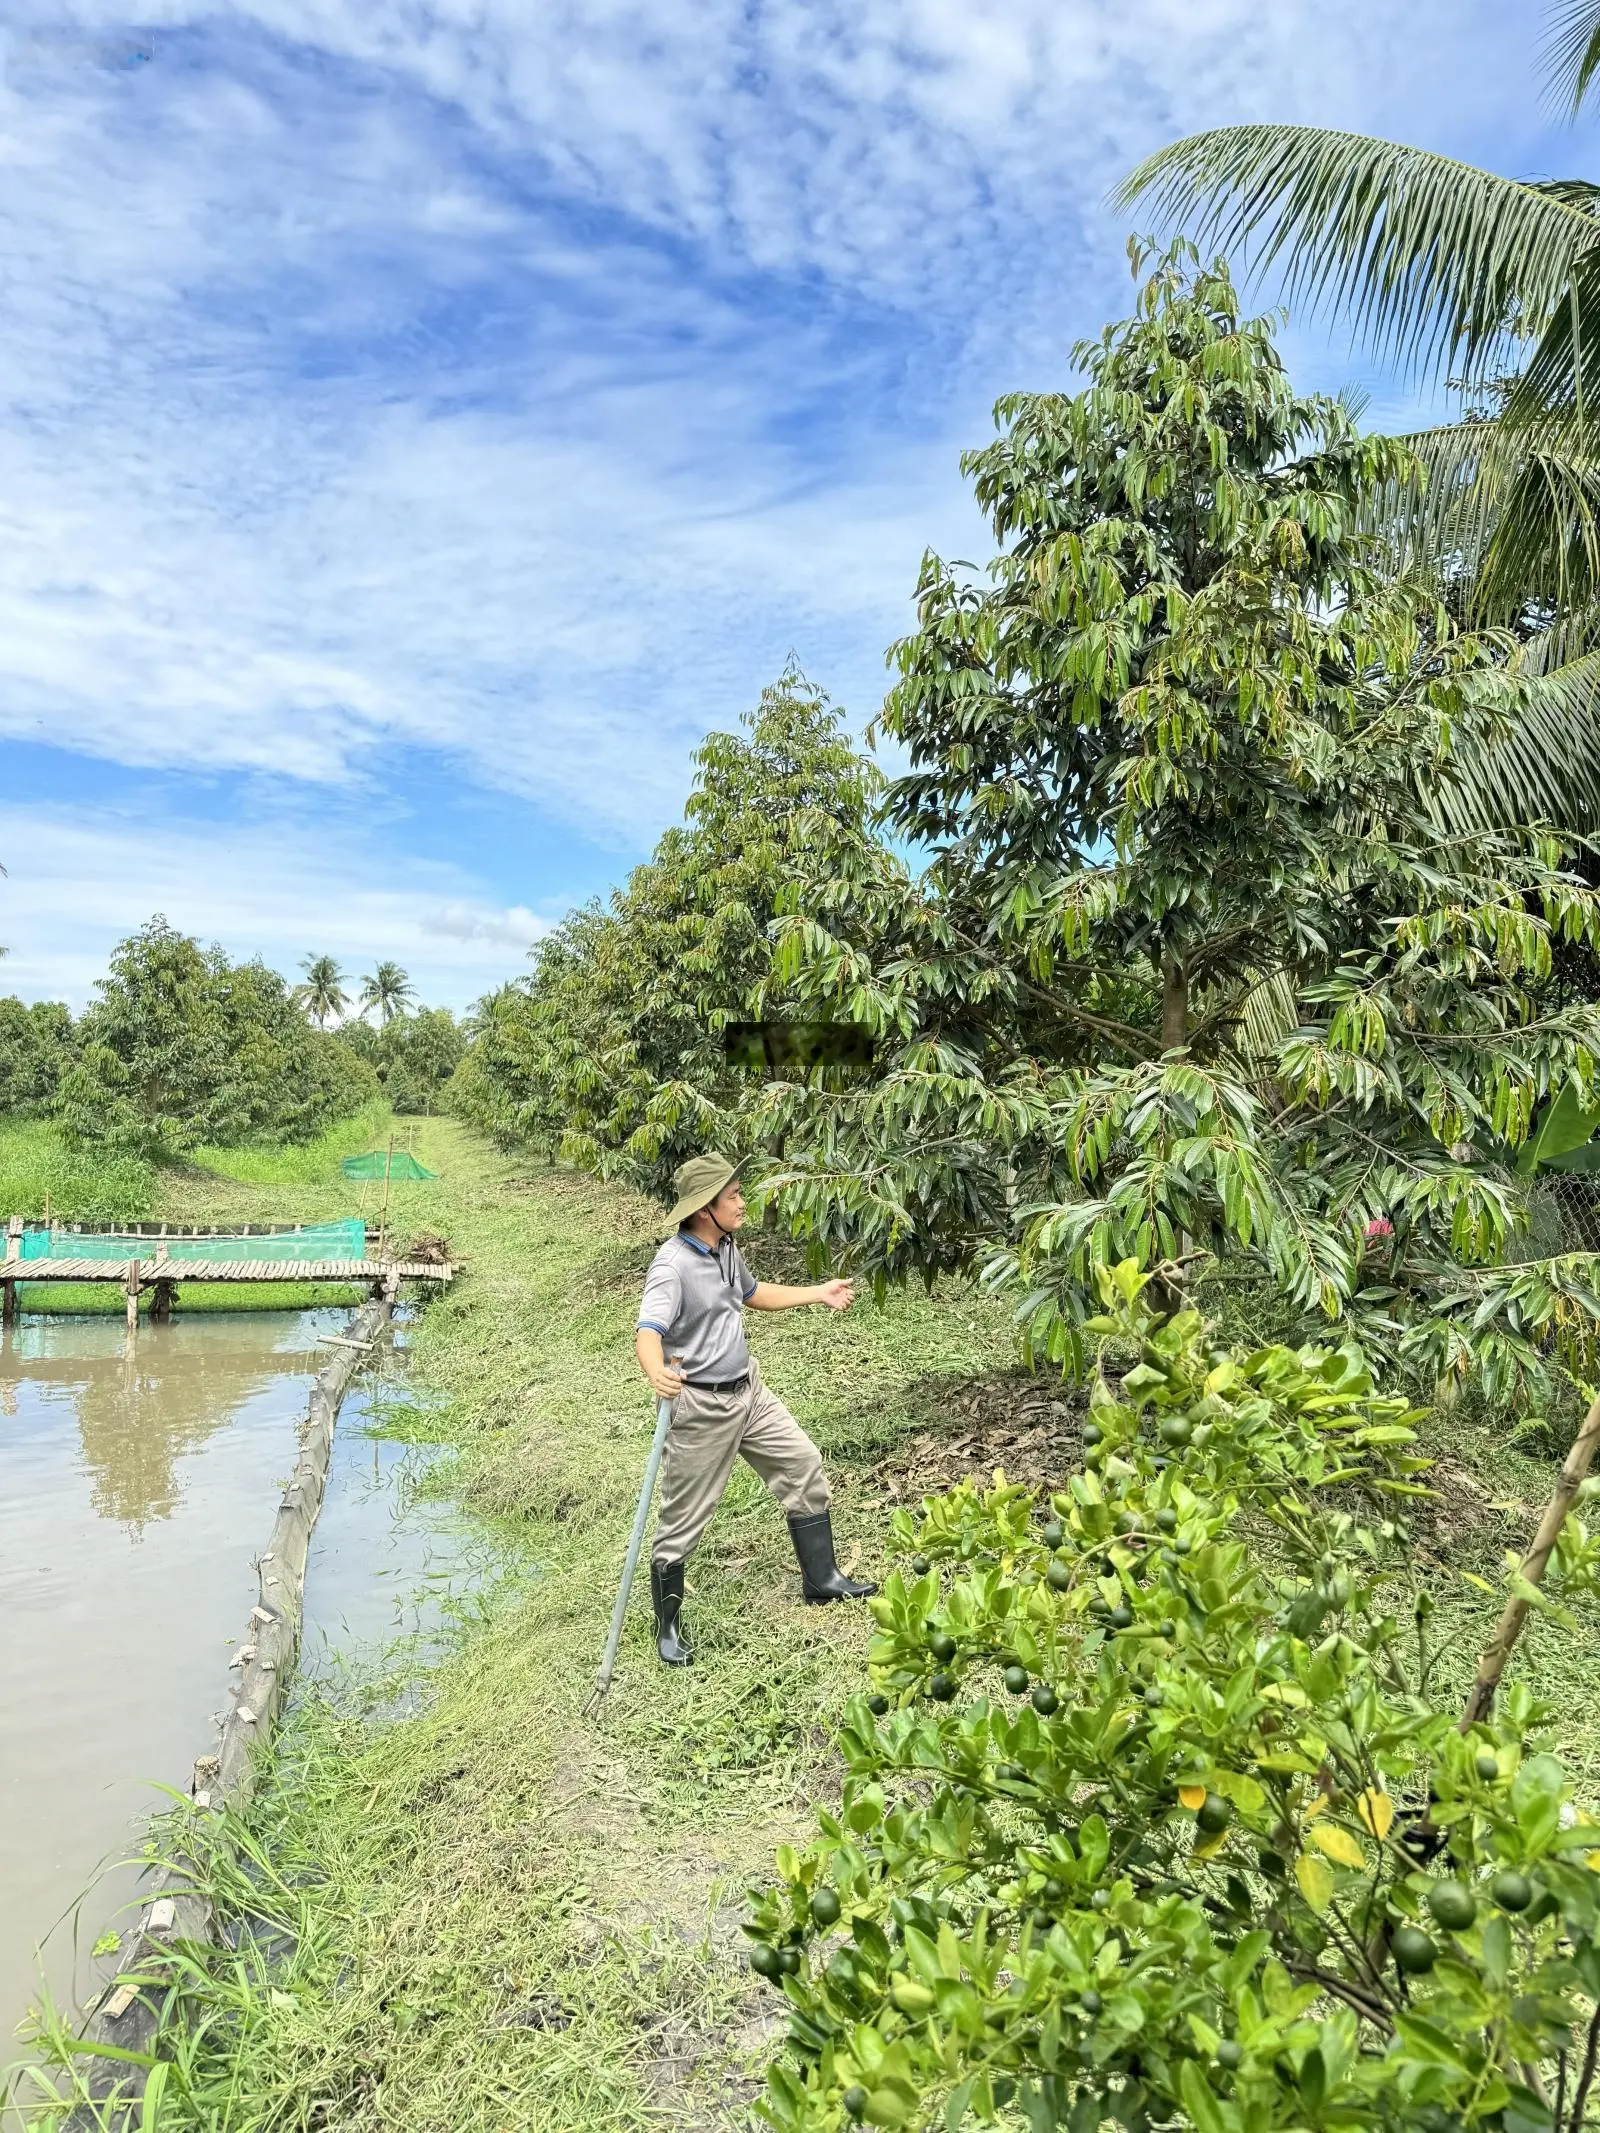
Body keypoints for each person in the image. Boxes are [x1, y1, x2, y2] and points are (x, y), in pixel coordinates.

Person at [634, 1153, 876, 1667]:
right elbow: (648, 1331)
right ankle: (668, 1627)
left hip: (751, 1392)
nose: (743, 1204)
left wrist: (818, 1293)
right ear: (705, 1210)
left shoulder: (725, 1248)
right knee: (682, 1518)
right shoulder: (671, 1267)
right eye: (734, 1197)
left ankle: (822, 1579)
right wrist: (655, 1371)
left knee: (802, 1464)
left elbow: (752, 1294)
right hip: (701, 1406)